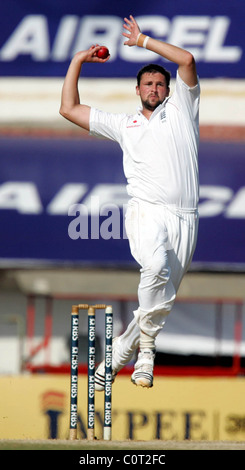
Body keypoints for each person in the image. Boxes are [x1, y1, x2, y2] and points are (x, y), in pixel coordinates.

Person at [60, 14, 200, 388]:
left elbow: (185, 60)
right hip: (145, 211)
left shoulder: (183, 110)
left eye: (159, 83)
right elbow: (69, 110)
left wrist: (142, 41)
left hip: (186, 218)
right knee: (154, 268)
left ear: (168, 90)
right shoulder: (124, 124)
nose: (154, 87)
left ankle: (120, 353)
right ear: (136, 90)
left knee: (163, 296)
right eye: (147, 83)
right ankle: (147, 351)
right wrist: (77, 61)